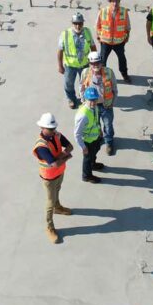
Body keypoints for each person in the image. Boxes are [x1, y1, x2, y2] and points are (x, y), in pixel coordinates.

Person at [33, 112, 73, 244]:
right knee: (50, 201)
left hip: (60, 172)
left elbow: (70, 146)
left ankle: (58, 207)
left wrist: (62, 156)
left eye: (53, 128)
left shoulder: (56, 135)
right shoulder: (41, 146)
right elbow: (54, 163)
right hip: (49, 177)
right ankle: (49, 227)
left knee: (58, 190)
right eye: (50, 129)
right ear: (42, 128)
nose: (53, 131)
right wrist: (65, 156)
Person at [81, 50, 118, 155]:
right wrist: (83, 101)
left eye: (97, 62)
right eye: (93, 63)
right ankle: (99, 137)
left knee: (108, 125)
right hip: (92, 106)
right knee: (95, 125)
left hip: (106, 105)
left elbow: (114, 88)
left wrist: (113, 102)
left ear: (101, 62)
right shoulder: (85, 73)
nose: (95, 65)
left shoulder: (109, 72)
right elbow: (82, 87)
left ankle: (109, 142)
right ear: (89, 63)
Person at [57, 12, 96, 109]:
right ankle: (71, 99)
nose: (78, 26)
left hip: (85, 64)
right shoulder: (65, 34)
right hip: (70, 65)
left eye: (80, 23)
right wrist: (60, 66)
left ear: (83, 23)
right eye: (75, 23)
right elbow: (60, 51)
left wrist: (94, 63)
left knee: (86, 83)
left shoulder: (87, 32)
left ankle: (85, 98)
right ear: (72, 23)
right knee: (68, 83)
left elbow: (93, 47)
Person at [96, 0, 131, 83]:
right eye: (113, 1)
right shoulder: (103, 11)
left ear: (119, 1)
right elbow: (98, 25)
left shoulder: (124, 11)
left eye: (117, 1)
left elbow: (127, 26)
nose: (115, 3)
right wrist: (99, 36)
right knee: (102, 60)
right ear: (110, 1)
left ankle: (125, 74)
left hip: (119, 42)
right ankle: (102, 77)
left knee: (122, 59)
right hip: (105, 42)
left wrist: (127, 37)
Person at [74, 87, 105, 183]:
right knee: (87, 158)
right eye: (90, 100)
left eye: (95, 99)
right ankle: (87, 176)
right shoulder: (83, 115)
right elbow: (77, 134)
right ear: (86, 99)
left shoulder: (94, 107)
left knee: (94, 152)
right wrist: (83, 147)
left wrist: (99, 130)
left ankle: (93, 164)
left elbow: (95, 120)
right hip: (87, 141)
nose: (93, 102)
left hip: (95, 138)